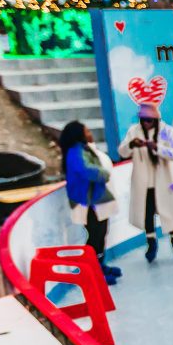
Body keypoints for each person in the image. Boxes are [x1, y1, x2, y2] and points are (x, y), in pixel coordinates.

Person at [118, 103, 173, 263]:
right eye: (143, 120)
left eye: (149, 120)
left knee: (169, 212)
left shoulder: (167, 131)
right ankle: (151, 243)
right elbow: (122, 152)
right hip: (143, 182)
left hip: (163, 181)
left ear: (155, 119)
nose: (146, 123)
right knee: (146, 214)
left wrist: (157, 147)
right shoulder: (134, 131)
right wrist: (131, 144)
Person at [60, 120, 120, 284]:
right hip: (88, 202)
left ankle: (100, 265)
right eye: (86, 131)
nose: (90, 133)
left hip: (94, 199)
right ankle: (93, 272)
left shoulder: (82, 149)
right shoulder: (75, 151)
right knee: (95, 236)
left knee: (101, 233)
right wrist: (104, 174)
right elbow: (86, 170)